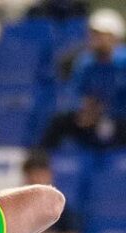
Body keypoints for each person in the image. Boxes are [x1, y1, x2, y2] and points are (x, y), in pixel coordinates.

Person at [40, 8, 126, 149]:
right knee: (60, 121)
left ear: (114, 37)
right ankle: (41, 165)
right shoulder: (85, 63)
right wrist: (85, 110)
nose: (94, 38)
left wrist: (104, 111)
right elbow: (76, 93)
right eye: (93, 33)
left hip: (120, 118)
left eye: (100, 34)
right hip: (92, 120)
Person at [13, 150, 82, 233]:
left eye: (40, 174)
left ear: (49, 175)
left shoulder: (61, 204)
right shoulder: (16, 205)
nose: (36, 179)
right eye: (31, 175)